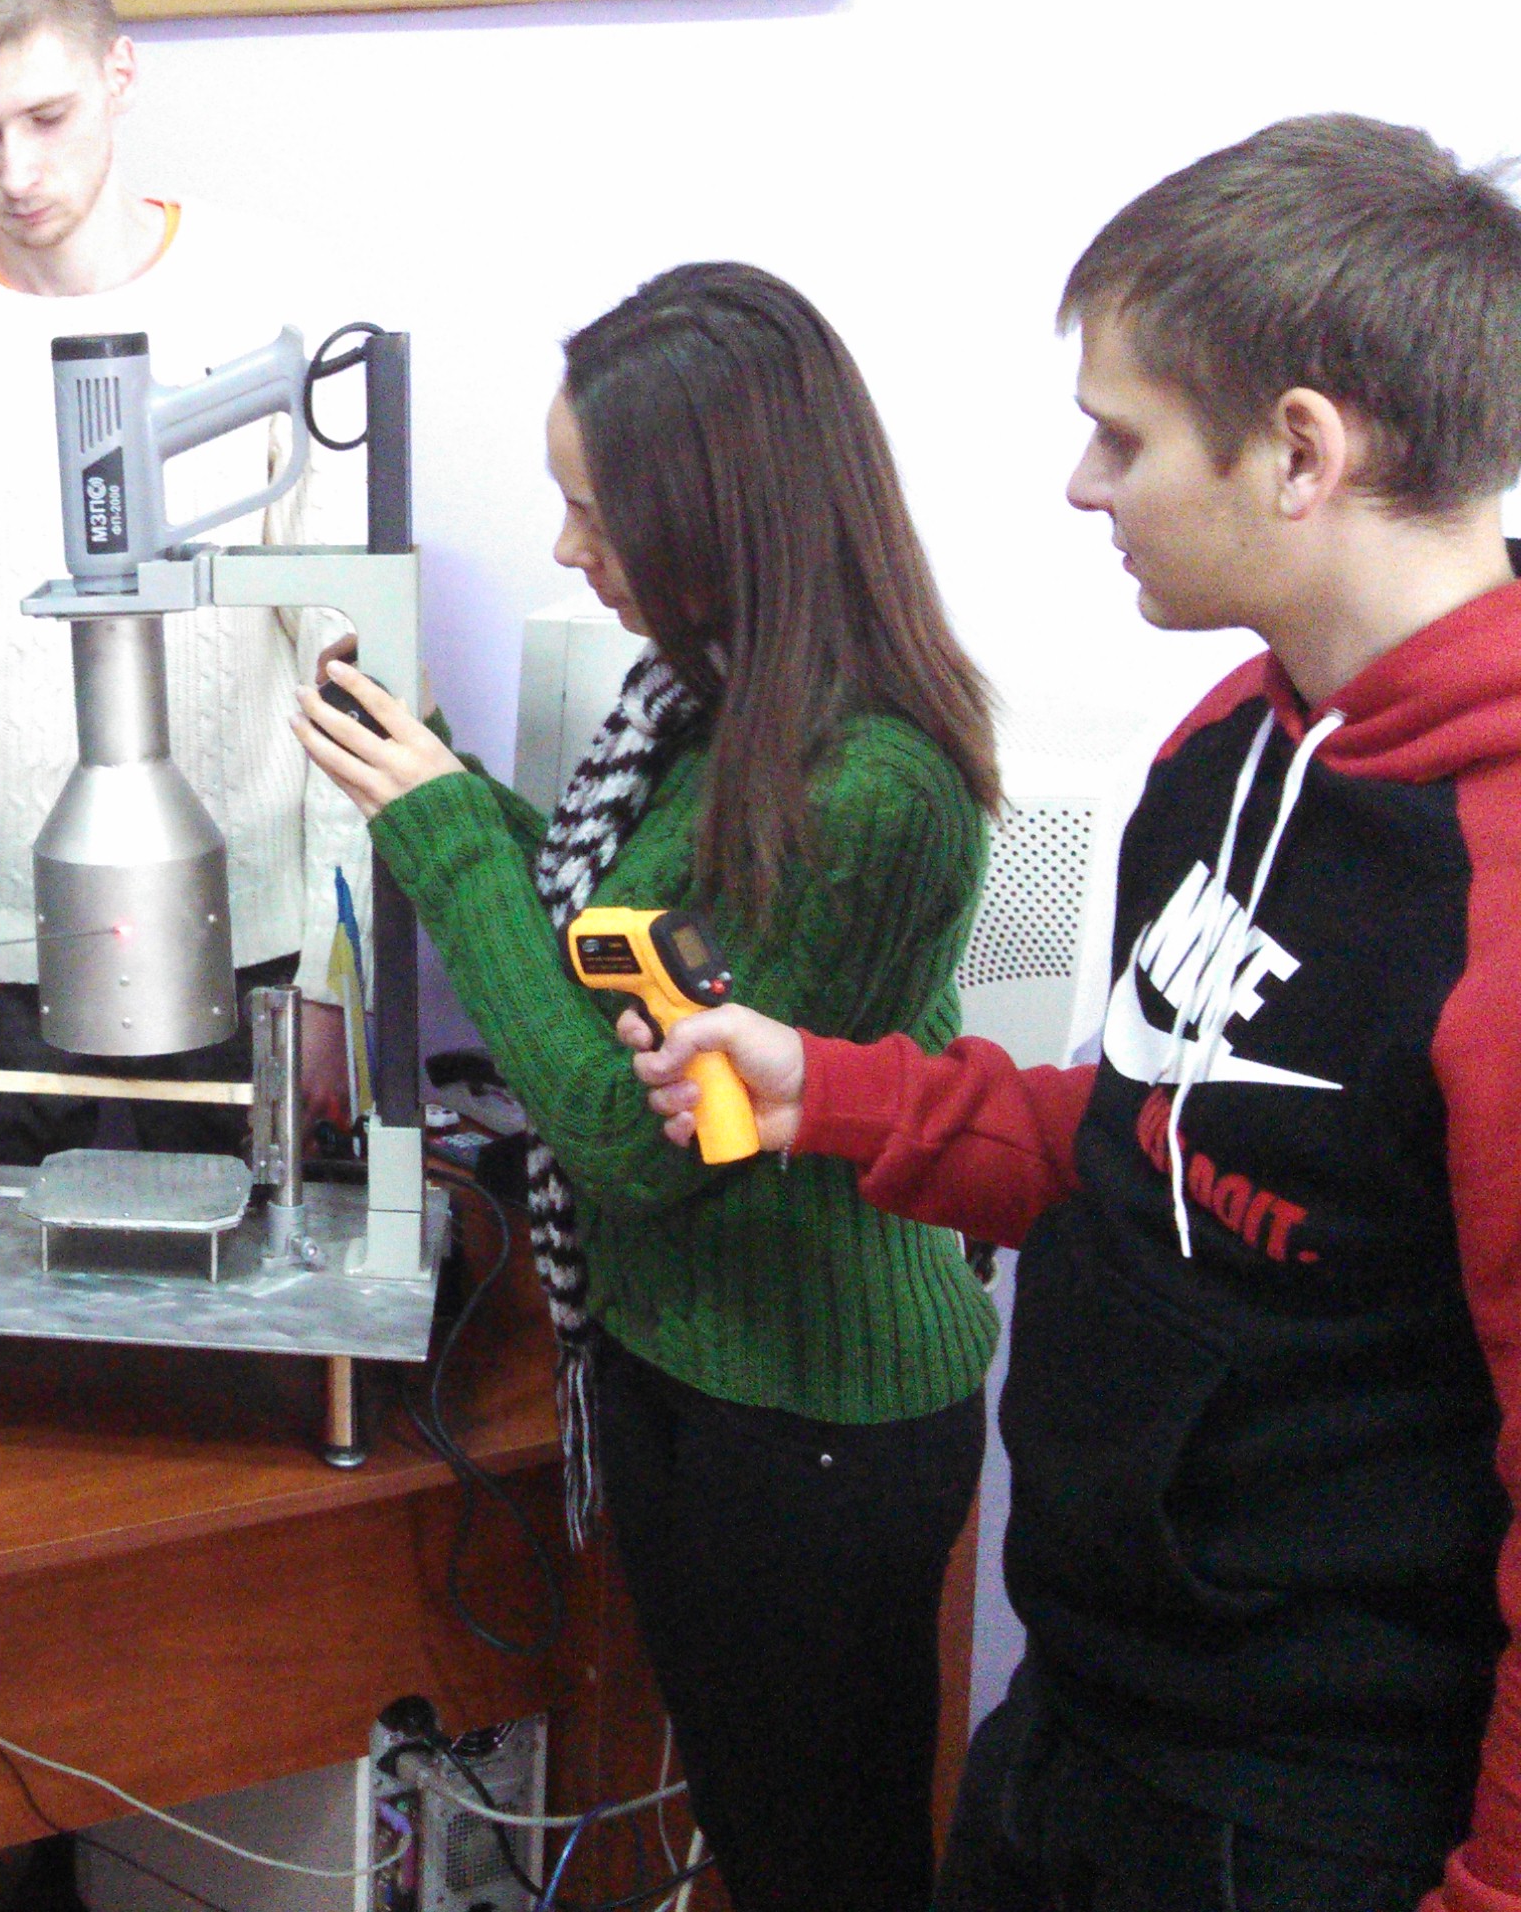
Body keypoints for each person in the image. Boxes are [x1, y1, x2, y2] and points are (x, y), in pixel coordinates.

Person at [627, 117, 1521, 1912]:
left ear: (1298, 451)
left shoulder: (1491, 893)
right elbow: (1150, 1143)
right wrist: (833, 1093)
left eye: (1121, 436)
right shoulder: (1229, 745)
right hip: (1086, 1715)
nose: (1079, 486)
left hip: (1316, 1812)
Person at [294, 265, 1003, 1912]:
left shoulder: (876, 786)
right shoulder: (700, 704)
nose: (565, 547)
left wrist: (439, 831)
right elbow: (599, 953)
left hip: (813, 1416)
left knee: (818, 1861)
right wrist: (433, 767)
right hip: (684, 1374)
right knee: (757, 1834)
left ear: (718, 516)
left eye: (593, 511)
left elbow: (636, 1139)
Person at [0, 0, 361, 1155]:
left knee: (256, 1264)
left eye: (48, 117)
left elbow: (346, 654)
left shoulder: (278, 297)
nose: (16, 171)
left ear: (120, 73)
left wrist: (337, 969)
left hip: (249, 930)